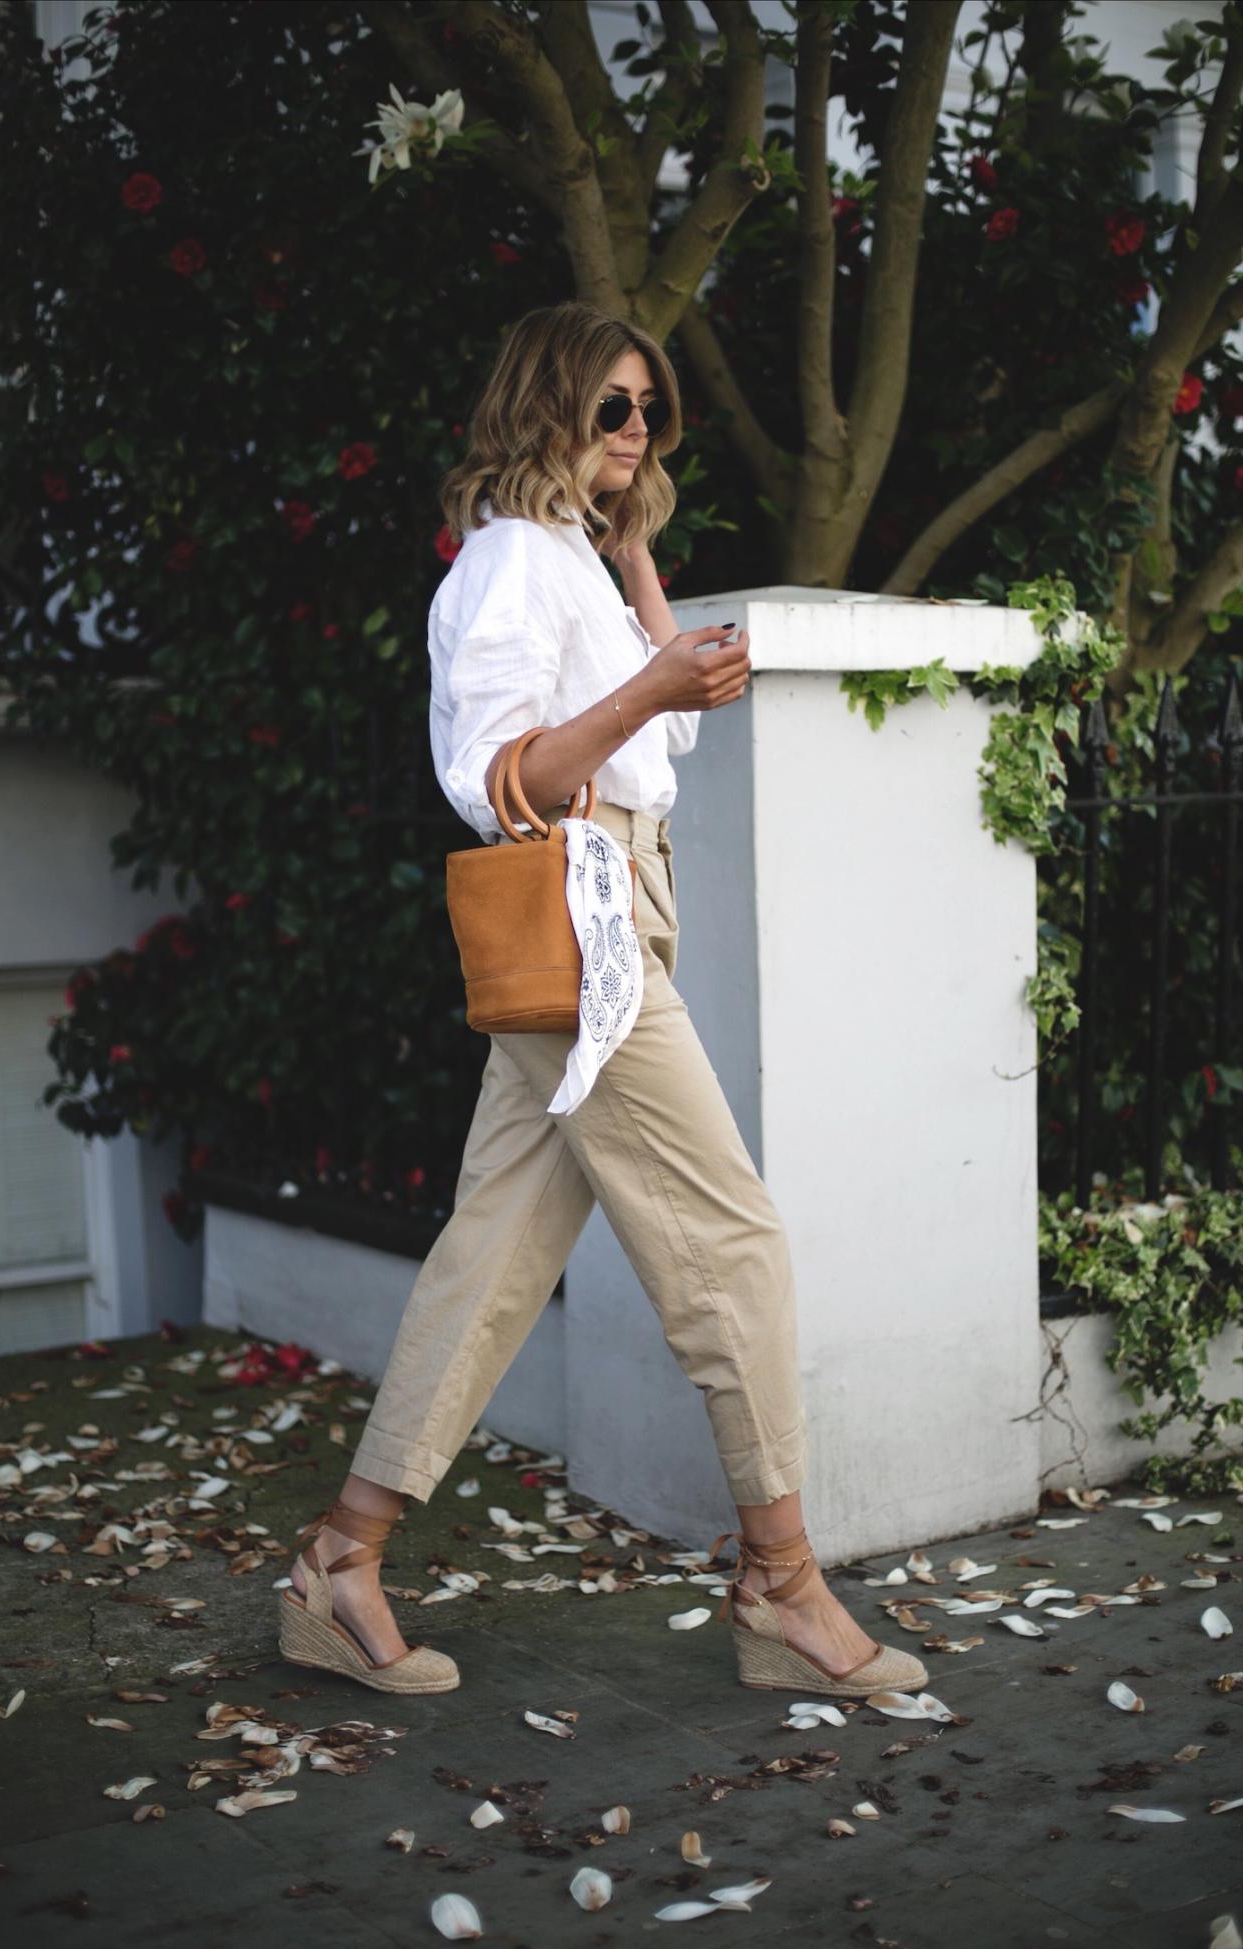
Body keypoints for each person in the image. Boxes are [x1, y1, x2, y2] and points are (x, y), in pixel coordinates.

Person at [279, 299, 928, 1702]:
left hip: (619, 906)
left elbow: (671, 728)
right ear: (546, 406)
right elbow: (498, 772)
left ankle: (340, 1560)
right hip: (582, 921)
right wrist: (643, 689)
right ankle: (783, 1585)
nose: (634, 434)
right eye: (610, 408)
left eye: (649, 412)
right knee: (733, 1243)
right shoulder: (508, 559)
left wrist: (640, 578)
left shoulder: (571, 552)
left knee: (493, 1258)